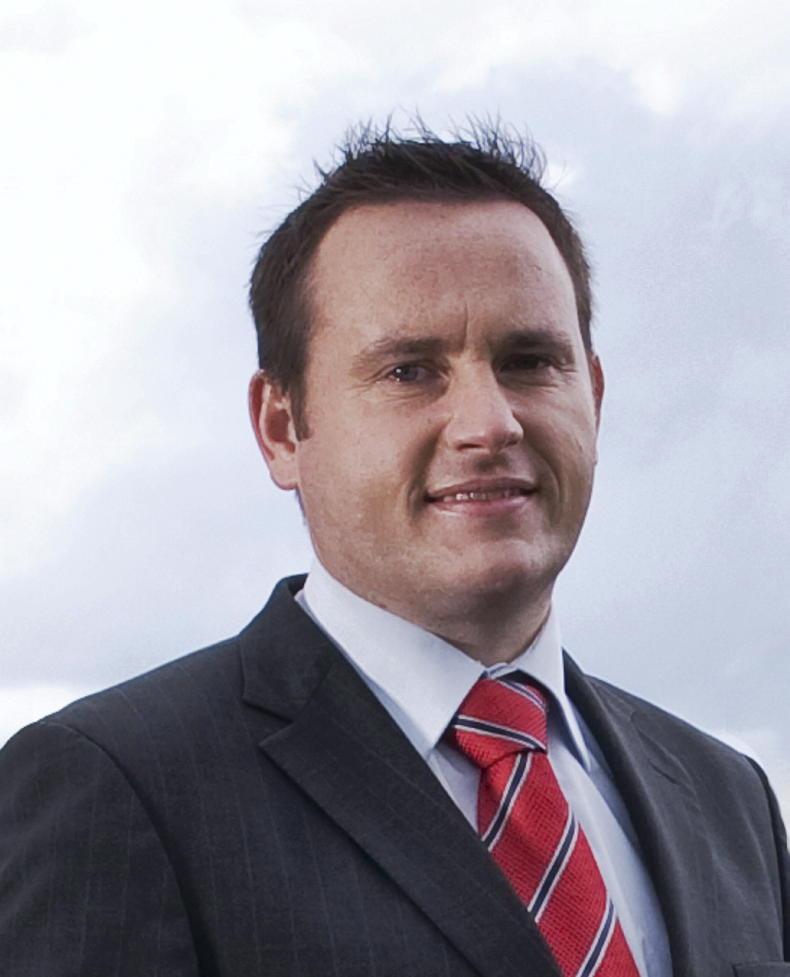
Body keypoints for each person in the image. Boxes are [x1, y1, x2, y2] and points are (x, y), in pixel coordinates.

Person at [1, 122, 788, 977]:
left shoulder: (729, 799)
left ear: (593, 397)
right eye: (410, 371)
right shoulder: (116, 787)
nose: (490, 422)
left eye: (530, 360)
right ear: (281, 427)